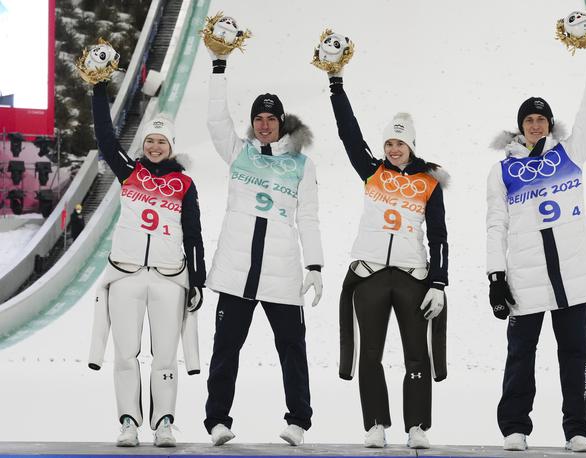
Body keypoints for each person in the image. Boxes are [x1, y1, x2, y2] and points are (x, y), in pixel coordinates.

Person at [485, 19, 586, 453]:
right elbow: (495, 224)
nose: (535, 125)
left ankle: (578, 428)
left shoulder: (570, 155)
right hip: (525, 276)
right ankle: (514, 427)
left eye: (541, 119)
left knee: (575, 354)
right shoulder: (503, 170)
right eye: (529, 119)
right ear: (520, 126)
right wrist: (495, 276)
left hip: (572, 276)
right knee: (521, 355)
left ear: (549, 124)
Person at [202, 49, 324, 447]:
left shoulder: (301, 165)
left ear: (282, 122)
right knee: (226, 350)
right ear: (252, 124)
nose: (265, 125)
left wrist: (316, 266)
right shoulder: (239, 153)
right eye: (259, 119)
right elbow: (215, 120)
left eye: (272, 119)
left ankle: (298, 421)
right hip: (237, 272)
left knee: (292, 348)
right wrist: (219, 67)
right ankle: (217, 420)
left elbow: (308, 217)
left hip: (281, 272)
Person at [324, 68, 449, 449]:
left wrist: (439, 282)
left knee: (416, 355)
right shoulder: (371, 170)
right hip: (371, 274)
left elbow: (440, 236)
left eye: (400, 143)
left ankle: (417, 427)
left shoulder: (429, 181)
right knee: (370, 355)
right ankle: (375, 424)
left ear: (412, 145)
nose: (394, 149)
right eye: (389, 143)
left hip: (412, 277)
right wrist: (336, 85)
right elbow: (349, 134)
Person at [88, 78, 206, 448]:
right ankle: (128, 421)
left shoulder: (184, 184)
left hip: (169, 278)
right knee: (125, 353)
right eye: (150, 141)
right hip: (126, 275)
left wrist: (197, 280)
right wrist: (98, 89)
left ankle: (165, 423)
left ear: (171, 146)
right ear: (143, 145)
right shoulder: (129, 171)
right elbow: (106, 140)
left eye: (162, 141)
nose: (155, 147)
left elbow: (194, 234)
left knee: (166, 356)